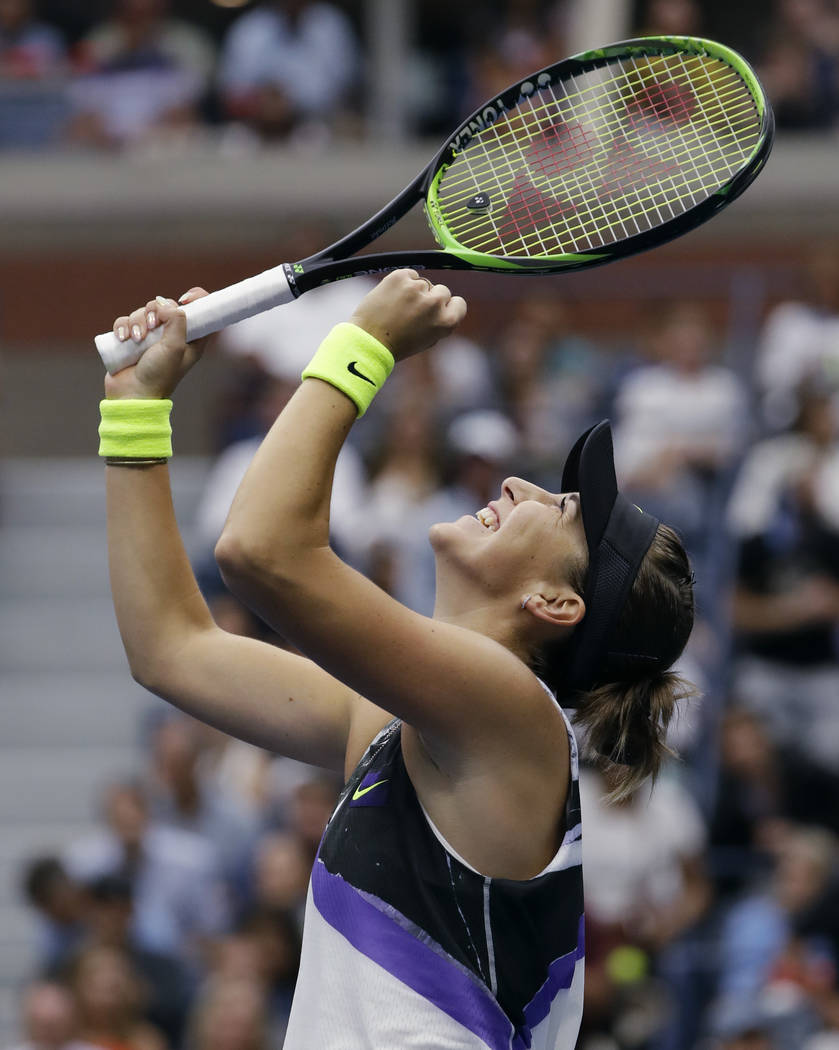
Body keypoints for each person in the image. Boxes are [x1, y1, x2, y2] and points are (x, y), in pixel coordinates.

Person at [99, 271, 696, 1048]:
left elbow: (261, 550)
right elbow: (173, 650)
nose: (519, 484)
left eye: (560, 508)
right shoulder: (407, 724)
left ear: (555, 604)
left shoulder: (512, 712)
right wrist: (135, 413)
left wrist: (365, 345)